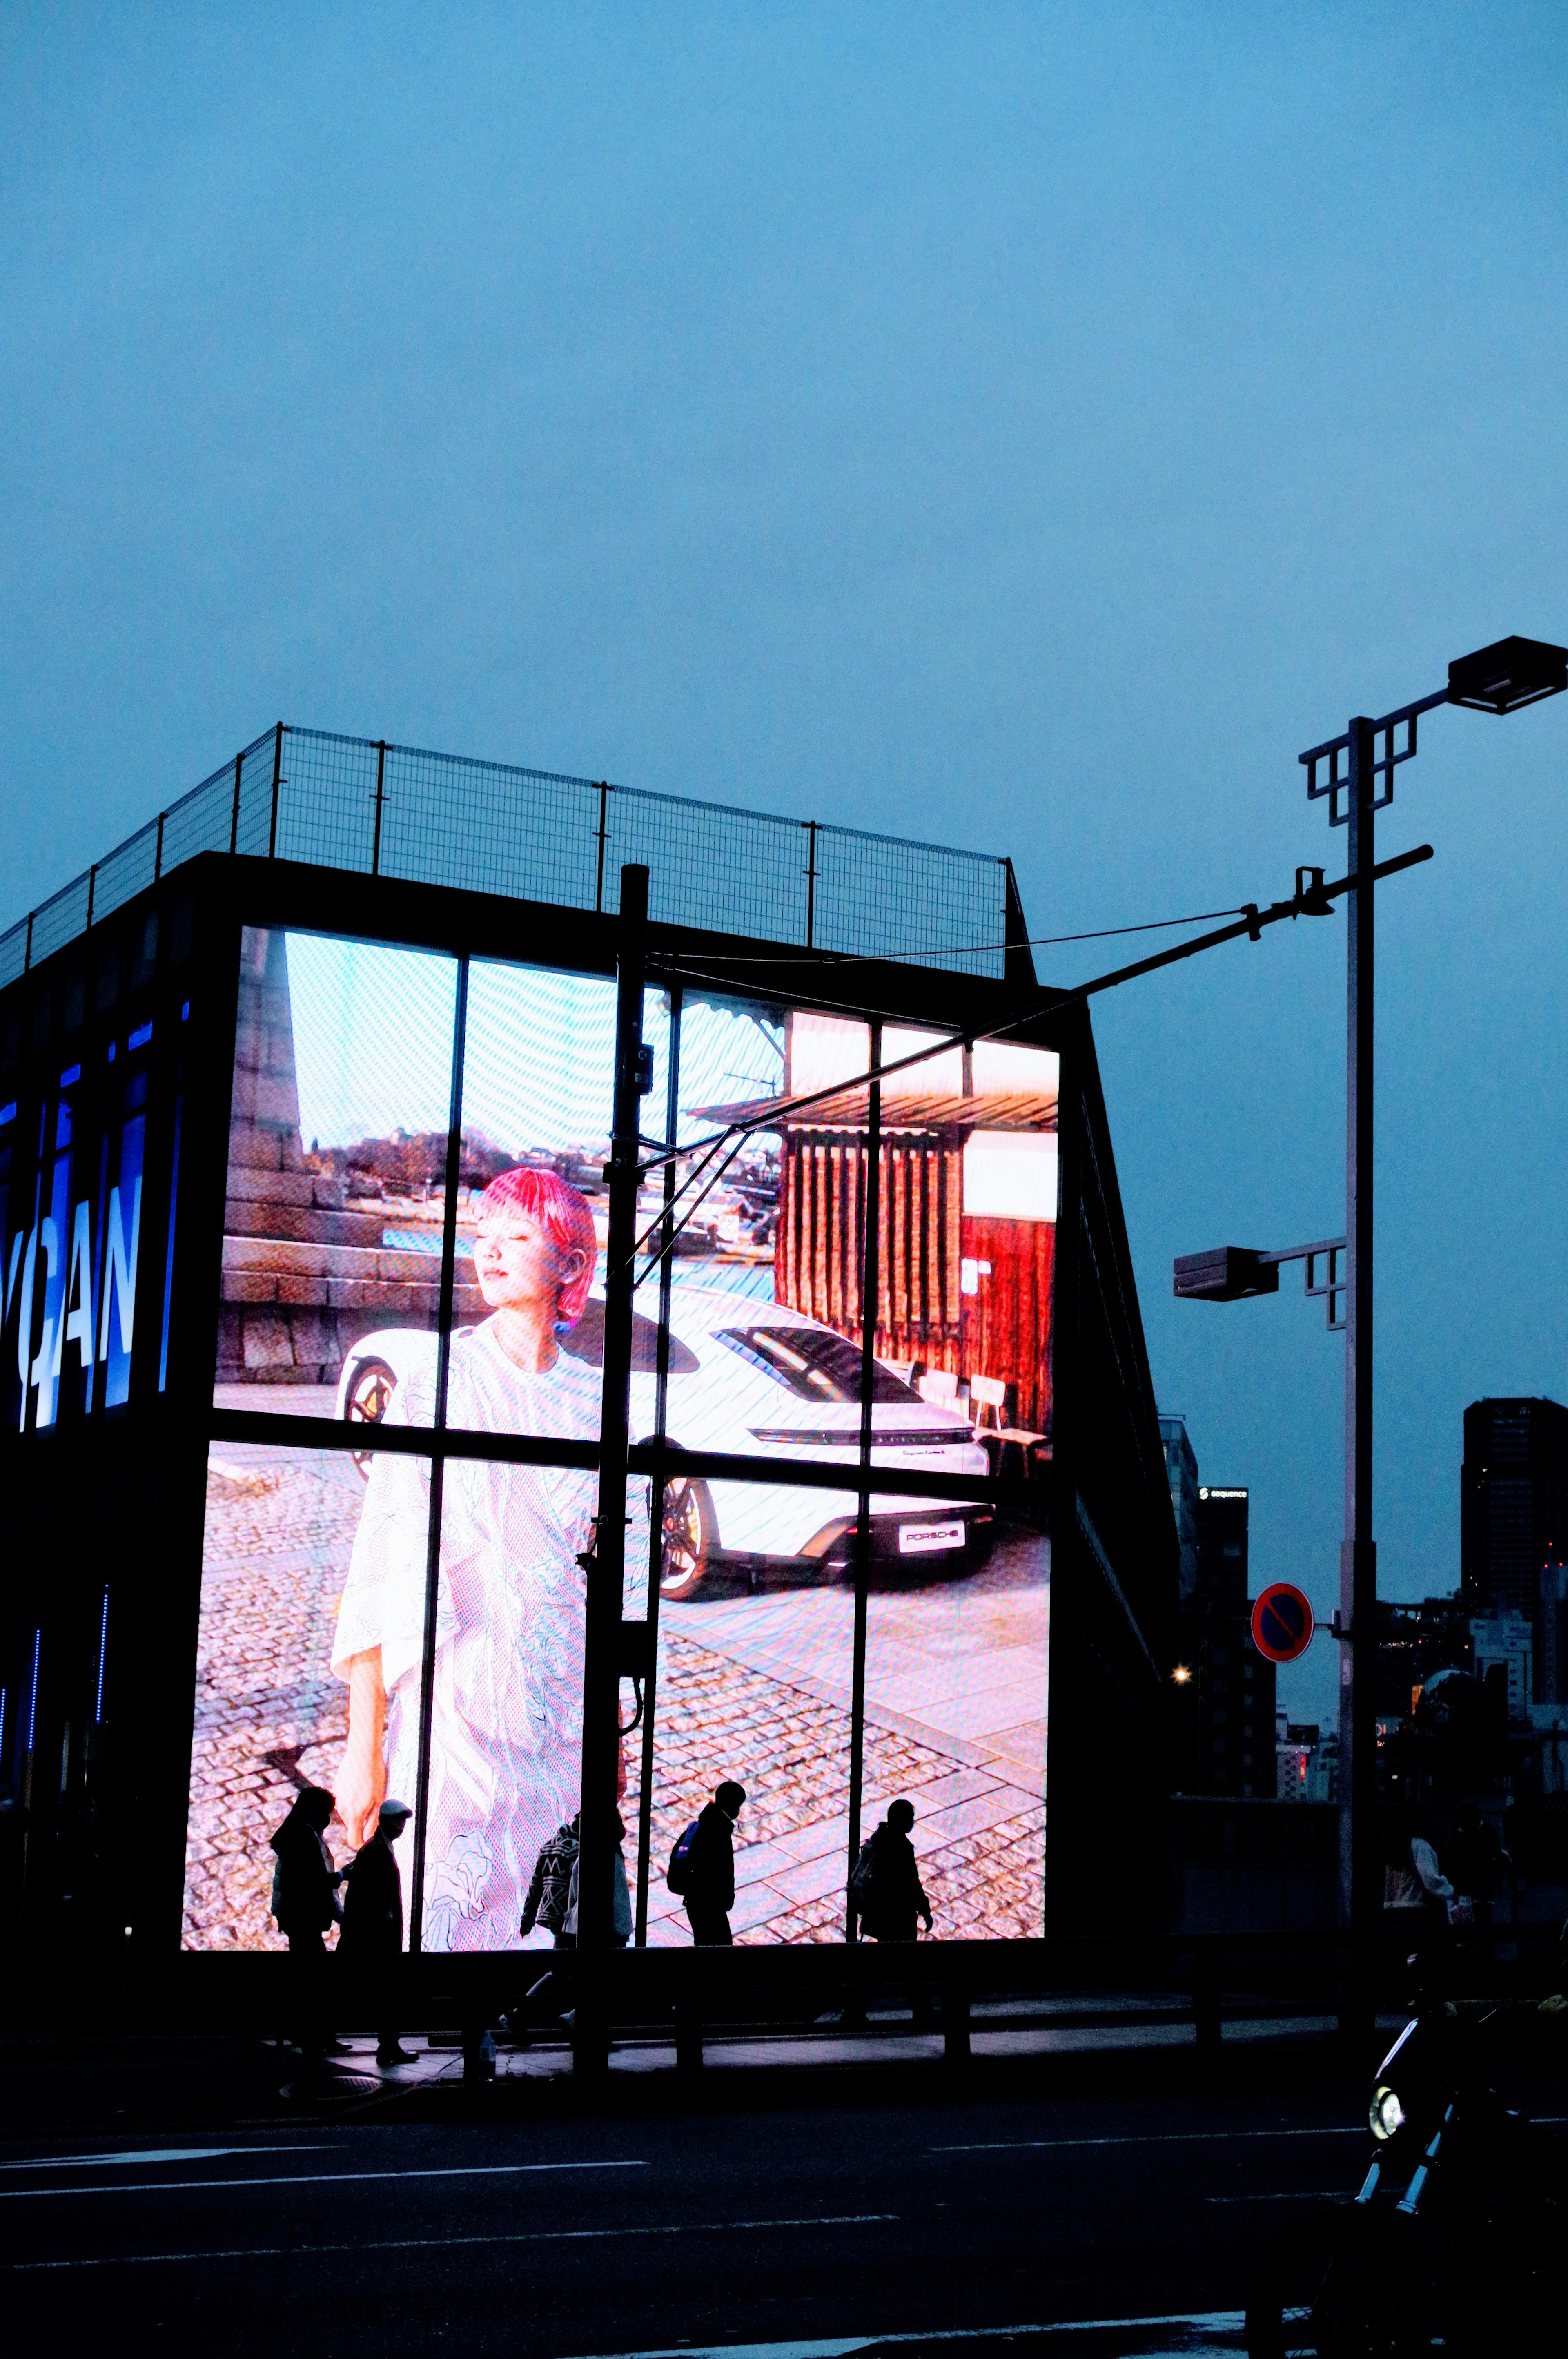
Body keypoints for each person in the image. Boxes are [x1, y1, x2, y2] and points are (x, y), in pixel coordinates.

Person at [332, 1168, 646, 1951]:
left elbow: (605, 1592)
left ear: (572, 1265)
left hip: (562, 1729)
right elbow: (384, 1571)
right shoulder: (437, 1384)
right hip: (455, 1727)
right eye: (483, 1237)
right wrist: (361, 1750)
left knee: (554, 1945)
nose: (492, 1253)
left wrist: (608, 1747)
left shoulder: (595, 1404)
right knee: (442, 1934)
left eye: (519, 1235)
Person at [268, 1786, 345, 2057]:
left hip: (299, 1918)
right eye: (325, 1812)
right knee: (315, 1981)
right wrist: (342, 1876)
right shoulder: (303, 1837)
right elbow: (313, 1882)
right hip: (303, 1919)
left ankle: (318, 2036)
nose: (329, 1818)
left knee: (311, 1979)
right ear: (314, 1811)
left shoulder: (301, 1833)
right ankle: (313, 2036)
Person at [340, 1797, 414, 2065]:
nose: (401, 1825)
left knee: (387, 1996)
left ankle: (389, 2046)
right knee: (388, 1996)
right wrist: (384, 1922)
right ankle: (389, 2048)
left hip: (378, 1939)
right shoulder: (376, 1851)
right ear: (384, 1821)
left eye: (404, 1820)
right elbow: (365, 1894)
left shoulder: (381, 1848)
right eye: (397, 1819)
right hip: (377, 1942)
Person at [853, 1798, 934, 1944]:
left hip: (880, 1914)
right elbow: (912, 1883)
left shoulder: (879, 1839)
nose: (912, 1822)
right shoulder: (902, 1848)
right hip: (899, 1915)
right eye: (910, 1818)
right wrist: (925, 1911)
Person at [685, 1781, 746, 1946]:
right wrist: (726, 1901)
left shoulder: (706, 1823)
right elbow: (722, 1871)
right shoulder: (719, 1832)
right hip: (711, 1905)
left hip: (696, 1902)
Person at [521, 1814, 581, 1947]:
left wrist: (528, 1918)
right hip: (568, 1916)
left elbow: (535, 1886)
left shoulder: (550, 1845)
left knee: (560, 1949)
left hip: (551, 1914)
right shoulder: (578, 1849)